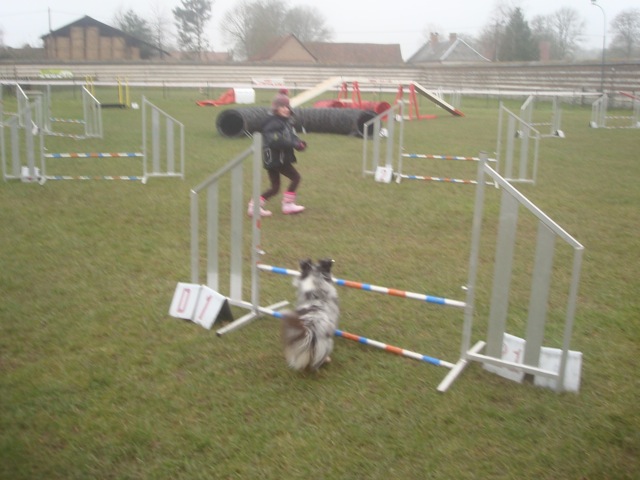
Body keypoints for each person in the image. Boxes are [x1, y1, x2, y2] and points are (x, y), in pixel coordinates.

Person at [248, 89, 307, 217]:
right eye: (282, 107)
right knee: (296, 178)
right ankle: (288, 205)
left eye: (287, 106)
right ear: (276, 108)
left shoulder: (285, 121)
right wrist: (294, 144)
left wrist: (299, 143)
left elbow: (290, 136)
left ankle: (254, 206)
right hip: (277, 158)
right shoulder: (273, 122)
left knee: (275, 188)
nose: (286, 109)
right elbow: (275, 140)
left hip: (275, 158)